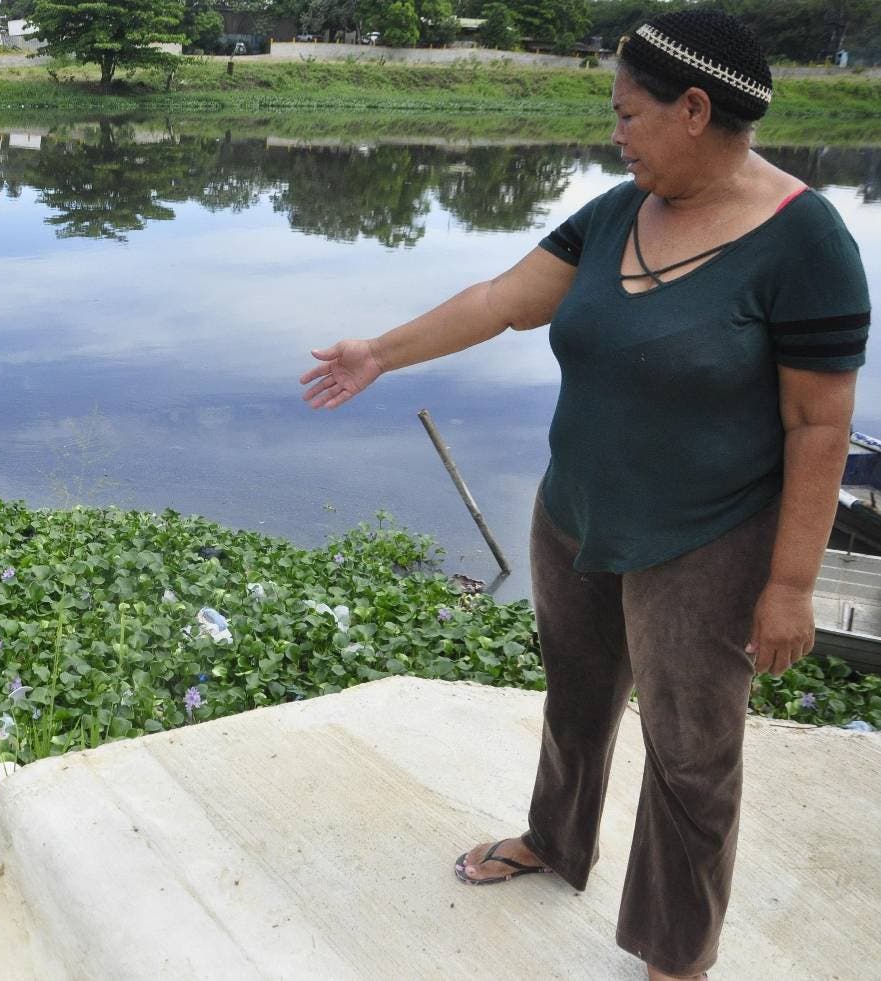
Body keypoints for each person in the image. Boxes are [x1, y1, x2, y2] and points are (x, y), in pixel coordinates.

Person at [299, 10, 869, 980]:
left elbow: (818, 426)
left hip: (706, 537)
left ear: (693, 109)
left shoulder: (804, 240)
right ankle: (555, 841)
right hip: (574, 514)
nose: (614, 134)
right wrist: (379, 354)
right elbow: (503, 299)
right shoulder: (614, 212)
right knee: (575, 698)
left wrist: (789, 585)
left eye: (627, 115)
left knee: (692, 755)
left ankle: (673, 955)